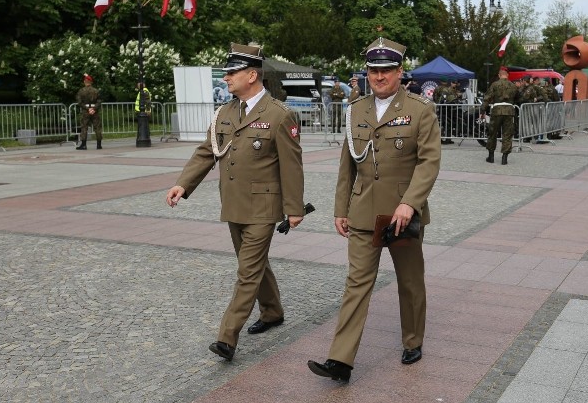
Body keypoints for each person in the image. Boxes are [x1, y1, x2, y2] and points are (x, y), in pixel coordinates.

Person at [307, 37, 441, 383]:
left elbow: (429, 163)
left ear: (400, 72)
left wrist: (410, 203)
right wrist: (341, 208)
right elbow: (347, 165)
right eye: (373, 70)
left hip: (402, 213)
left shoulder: (420, 110)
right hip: (364, 210)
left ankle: (413, 340)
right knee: (357, 283)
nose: (378, 77)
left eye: (386, 71)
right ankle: (340, 360)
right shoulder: (357, 109)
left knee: (409, 282)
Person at [165, 43, 305, 361]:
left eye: (232, 72)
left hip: (263, 208)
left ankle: (227, 337)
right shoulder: (226, 113)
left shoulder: (280, 115)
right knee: (253, 263)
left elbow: (292, 165)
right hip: (233, 204)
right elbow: (206, 151)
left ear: (252, 75)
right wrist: (182, 185)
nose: (226, 77)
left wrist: (294, 208)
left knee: (247, 271)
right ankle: (272, 311)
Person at [481, 67, 518, 164]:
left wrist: (482, 111)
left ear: (499, 75)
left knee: (492, 133)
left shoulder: (495, 84)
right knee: (507, 135)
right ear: (507, 74)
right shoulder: (513, 85)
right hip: (509, 112)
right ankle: (504, 158)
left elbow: (487, 98)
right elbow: (518, 98)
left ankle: (491, 156)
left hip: (497, 111)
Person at [75, 73, 102, 150]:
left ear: (85, 81)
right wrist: (94, 108)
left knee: (84, 127)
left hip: (85, 111)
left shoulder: (81, 91)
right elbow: (99, 101)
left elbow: (79, 102)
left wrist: (87, 109)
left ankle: (83, 145)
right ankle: (99, 145)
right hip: (94, 111)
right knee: (97, 127)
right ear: (91, 82)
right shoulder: (96, 91)